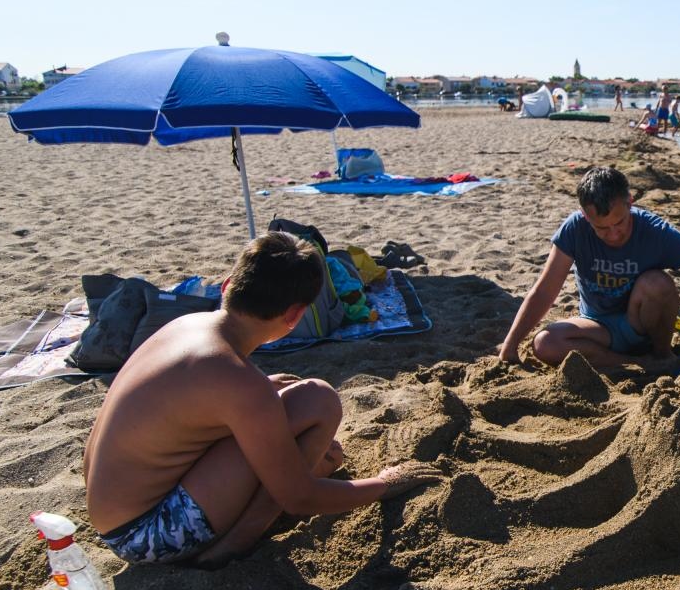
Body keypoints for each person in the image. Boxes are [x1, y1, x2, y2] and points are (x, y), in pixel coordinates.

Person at [83, 232, 442, 566]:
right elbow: (298, 498)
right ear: (294, 315)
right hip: (149, 534)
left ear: (228, 285)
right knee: (318, 399)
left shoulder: (187, 326)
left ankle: (281, 483)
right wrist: (385, 484)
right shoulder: (238, 381)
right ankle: (236, 542)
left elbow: (188, 403)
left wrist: (267, 394)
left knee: (289, 406)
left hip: (114, 514)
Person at [498, 166, 680, 367]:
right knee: (545, 343)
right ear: (585, 216)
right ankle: (637, 363)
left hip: (643, 324)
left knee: (657, 283)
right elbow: (544, 291)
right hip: (597, 327)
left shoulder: (655, 231)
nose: (613, 235)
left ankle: (662, 356)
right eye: (601, 228)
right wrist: (510, 345)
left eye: (620, 222)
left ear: (630, 202)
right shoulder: (574, 229)